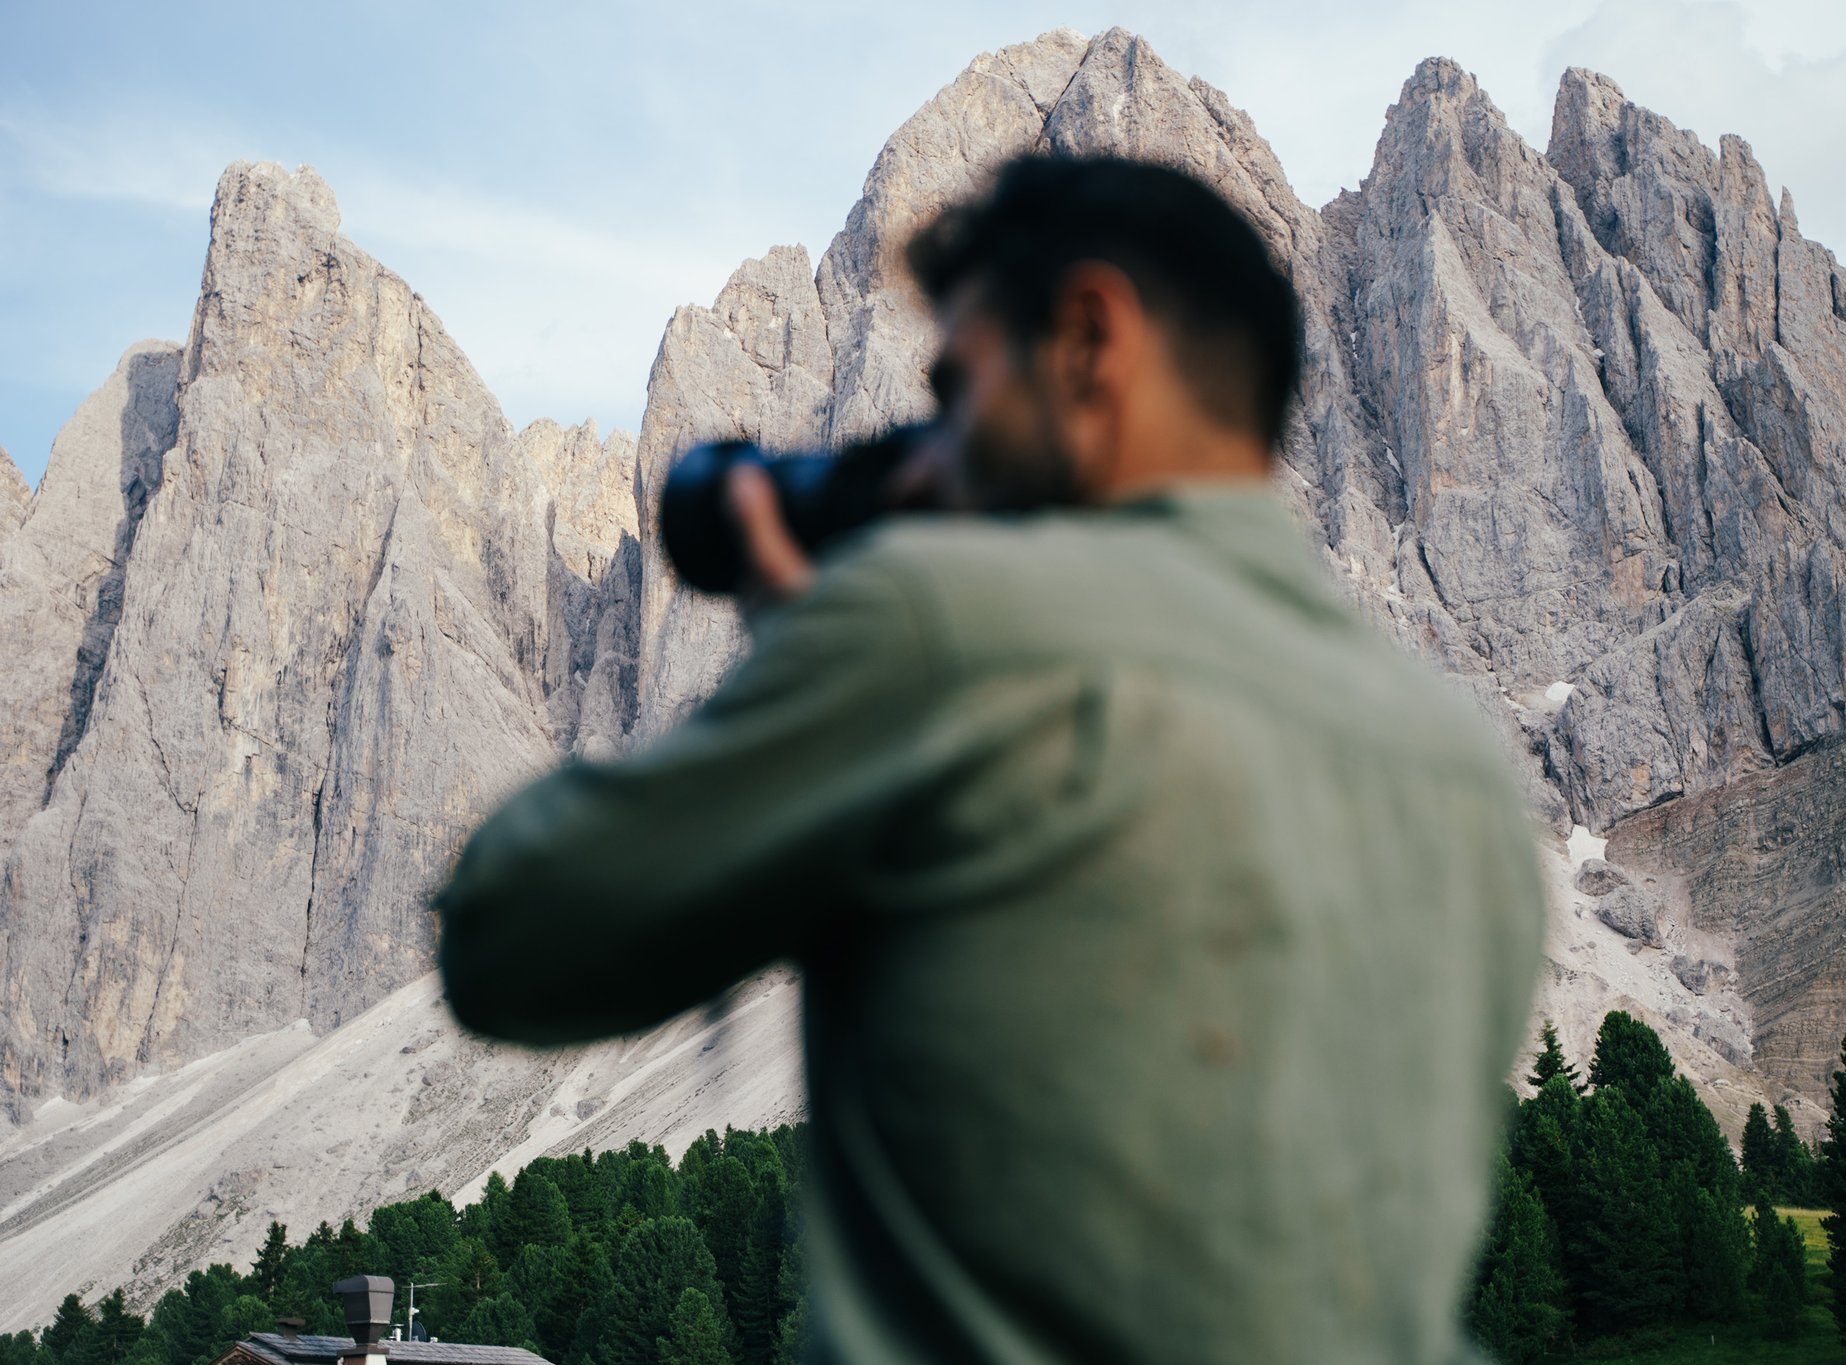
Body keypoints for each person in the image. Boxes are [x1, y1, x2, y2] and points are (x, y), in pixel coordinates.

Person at [436, 155, 1546, 1364]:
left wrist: (816, 651)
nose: (935, 450)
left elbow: (506, 942)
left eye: (958, 391)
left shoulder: (943, 631)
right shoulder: (1460, 772)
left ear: (1086, 338)